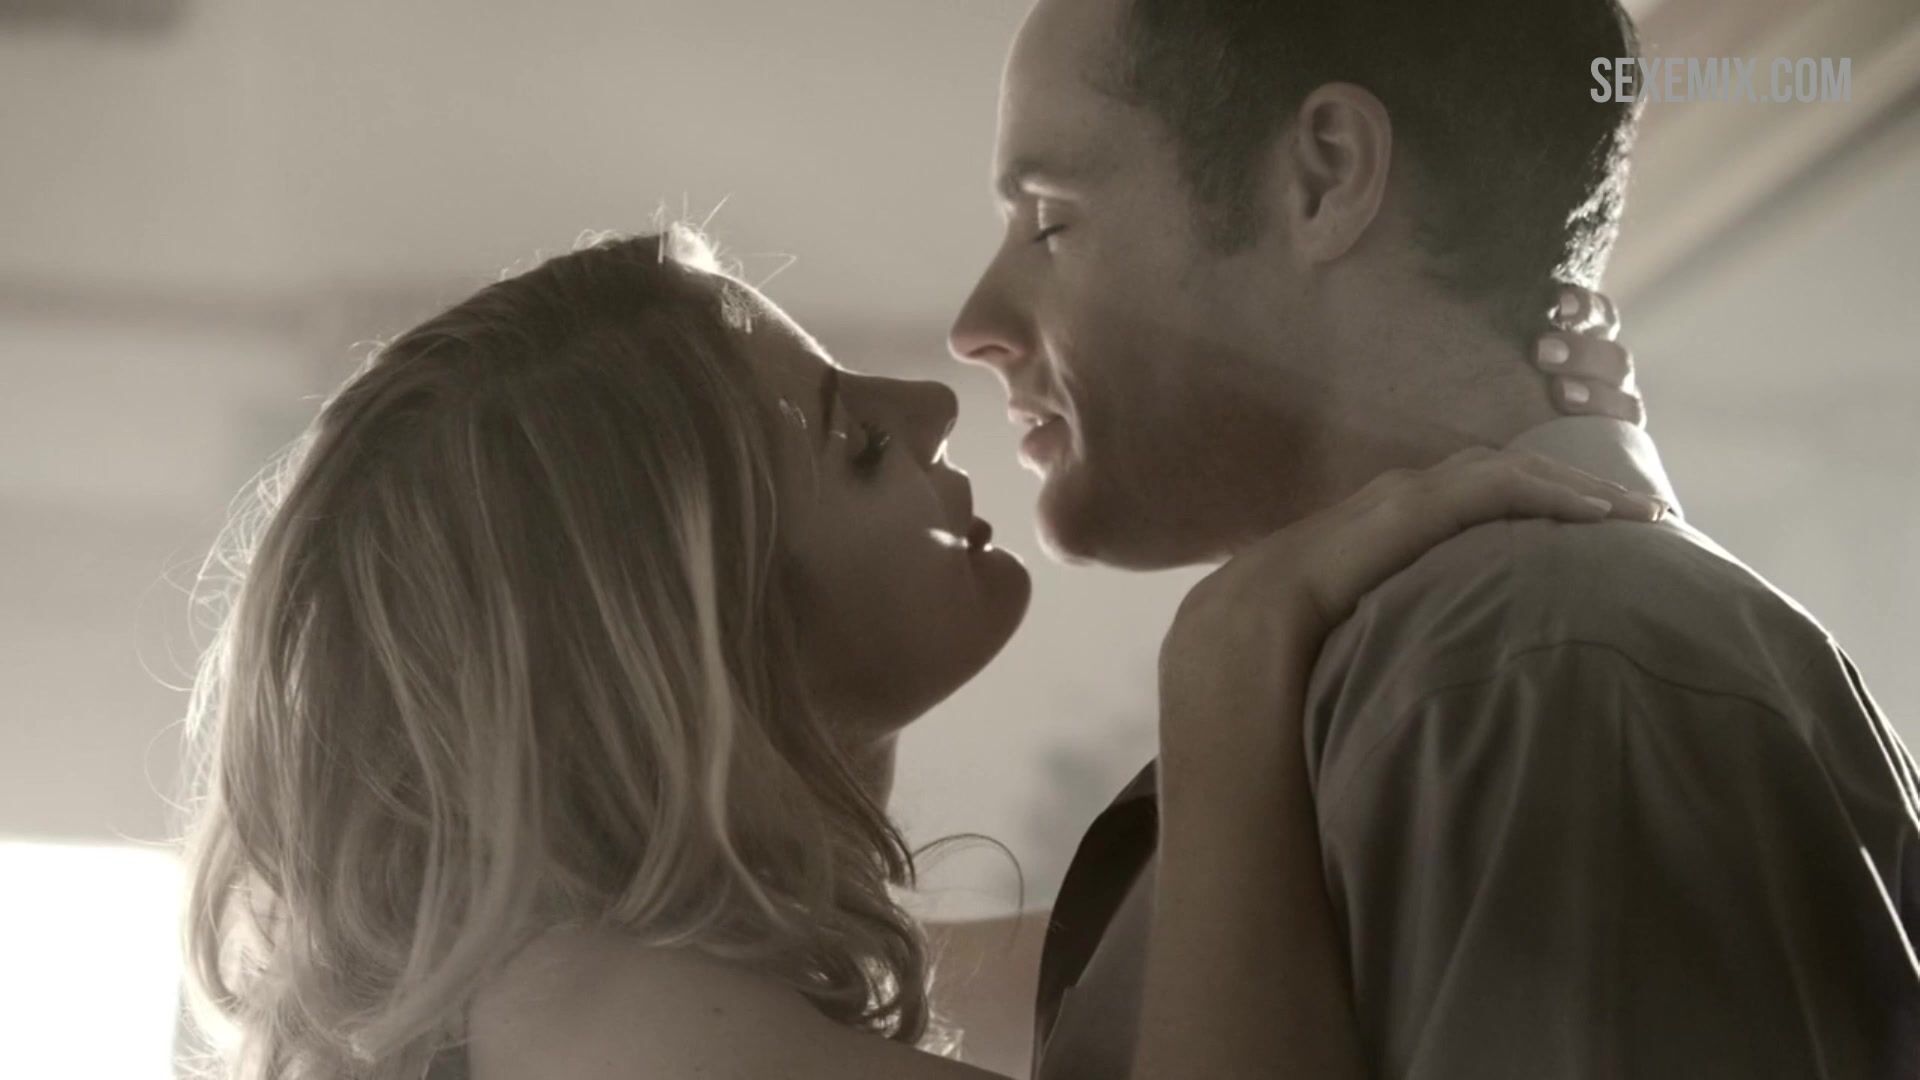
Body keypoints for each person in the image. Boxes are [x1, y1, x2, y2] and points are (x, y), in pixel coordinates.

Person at [172, 226, 1647, 1080]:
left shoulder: (595, 995)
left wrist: (1578, 488)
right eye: (853, 442)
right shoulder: (634, 1040)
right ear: (694, 632)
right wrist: (1230, 661)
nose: (935, 406)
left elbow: (1132, 969)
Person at [945, 0, 1920, 1077]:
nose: (973, 326)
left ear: (1325, 177)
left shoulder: (1539, 669)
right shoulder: (1424, 683)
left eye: (1049, 219)